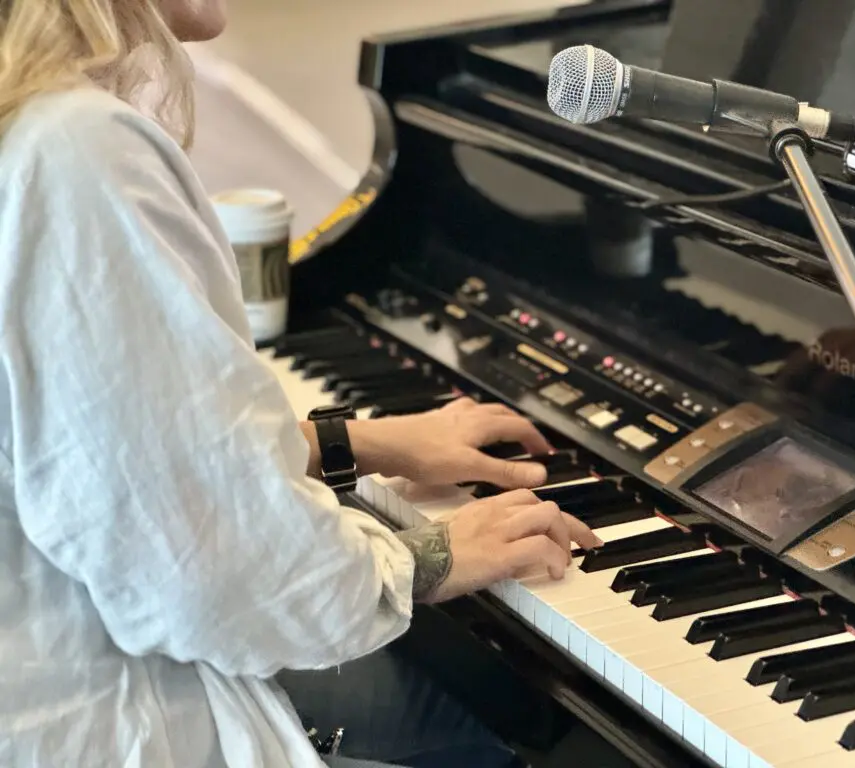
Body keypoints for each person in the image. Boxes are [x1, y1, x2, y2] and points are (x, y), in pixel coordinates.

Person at [0, 2, 601, 767]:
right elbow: (215, 579)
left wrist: (363, 442)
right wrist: (428, 558)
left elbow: (102, 452)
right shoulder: (71, 148)